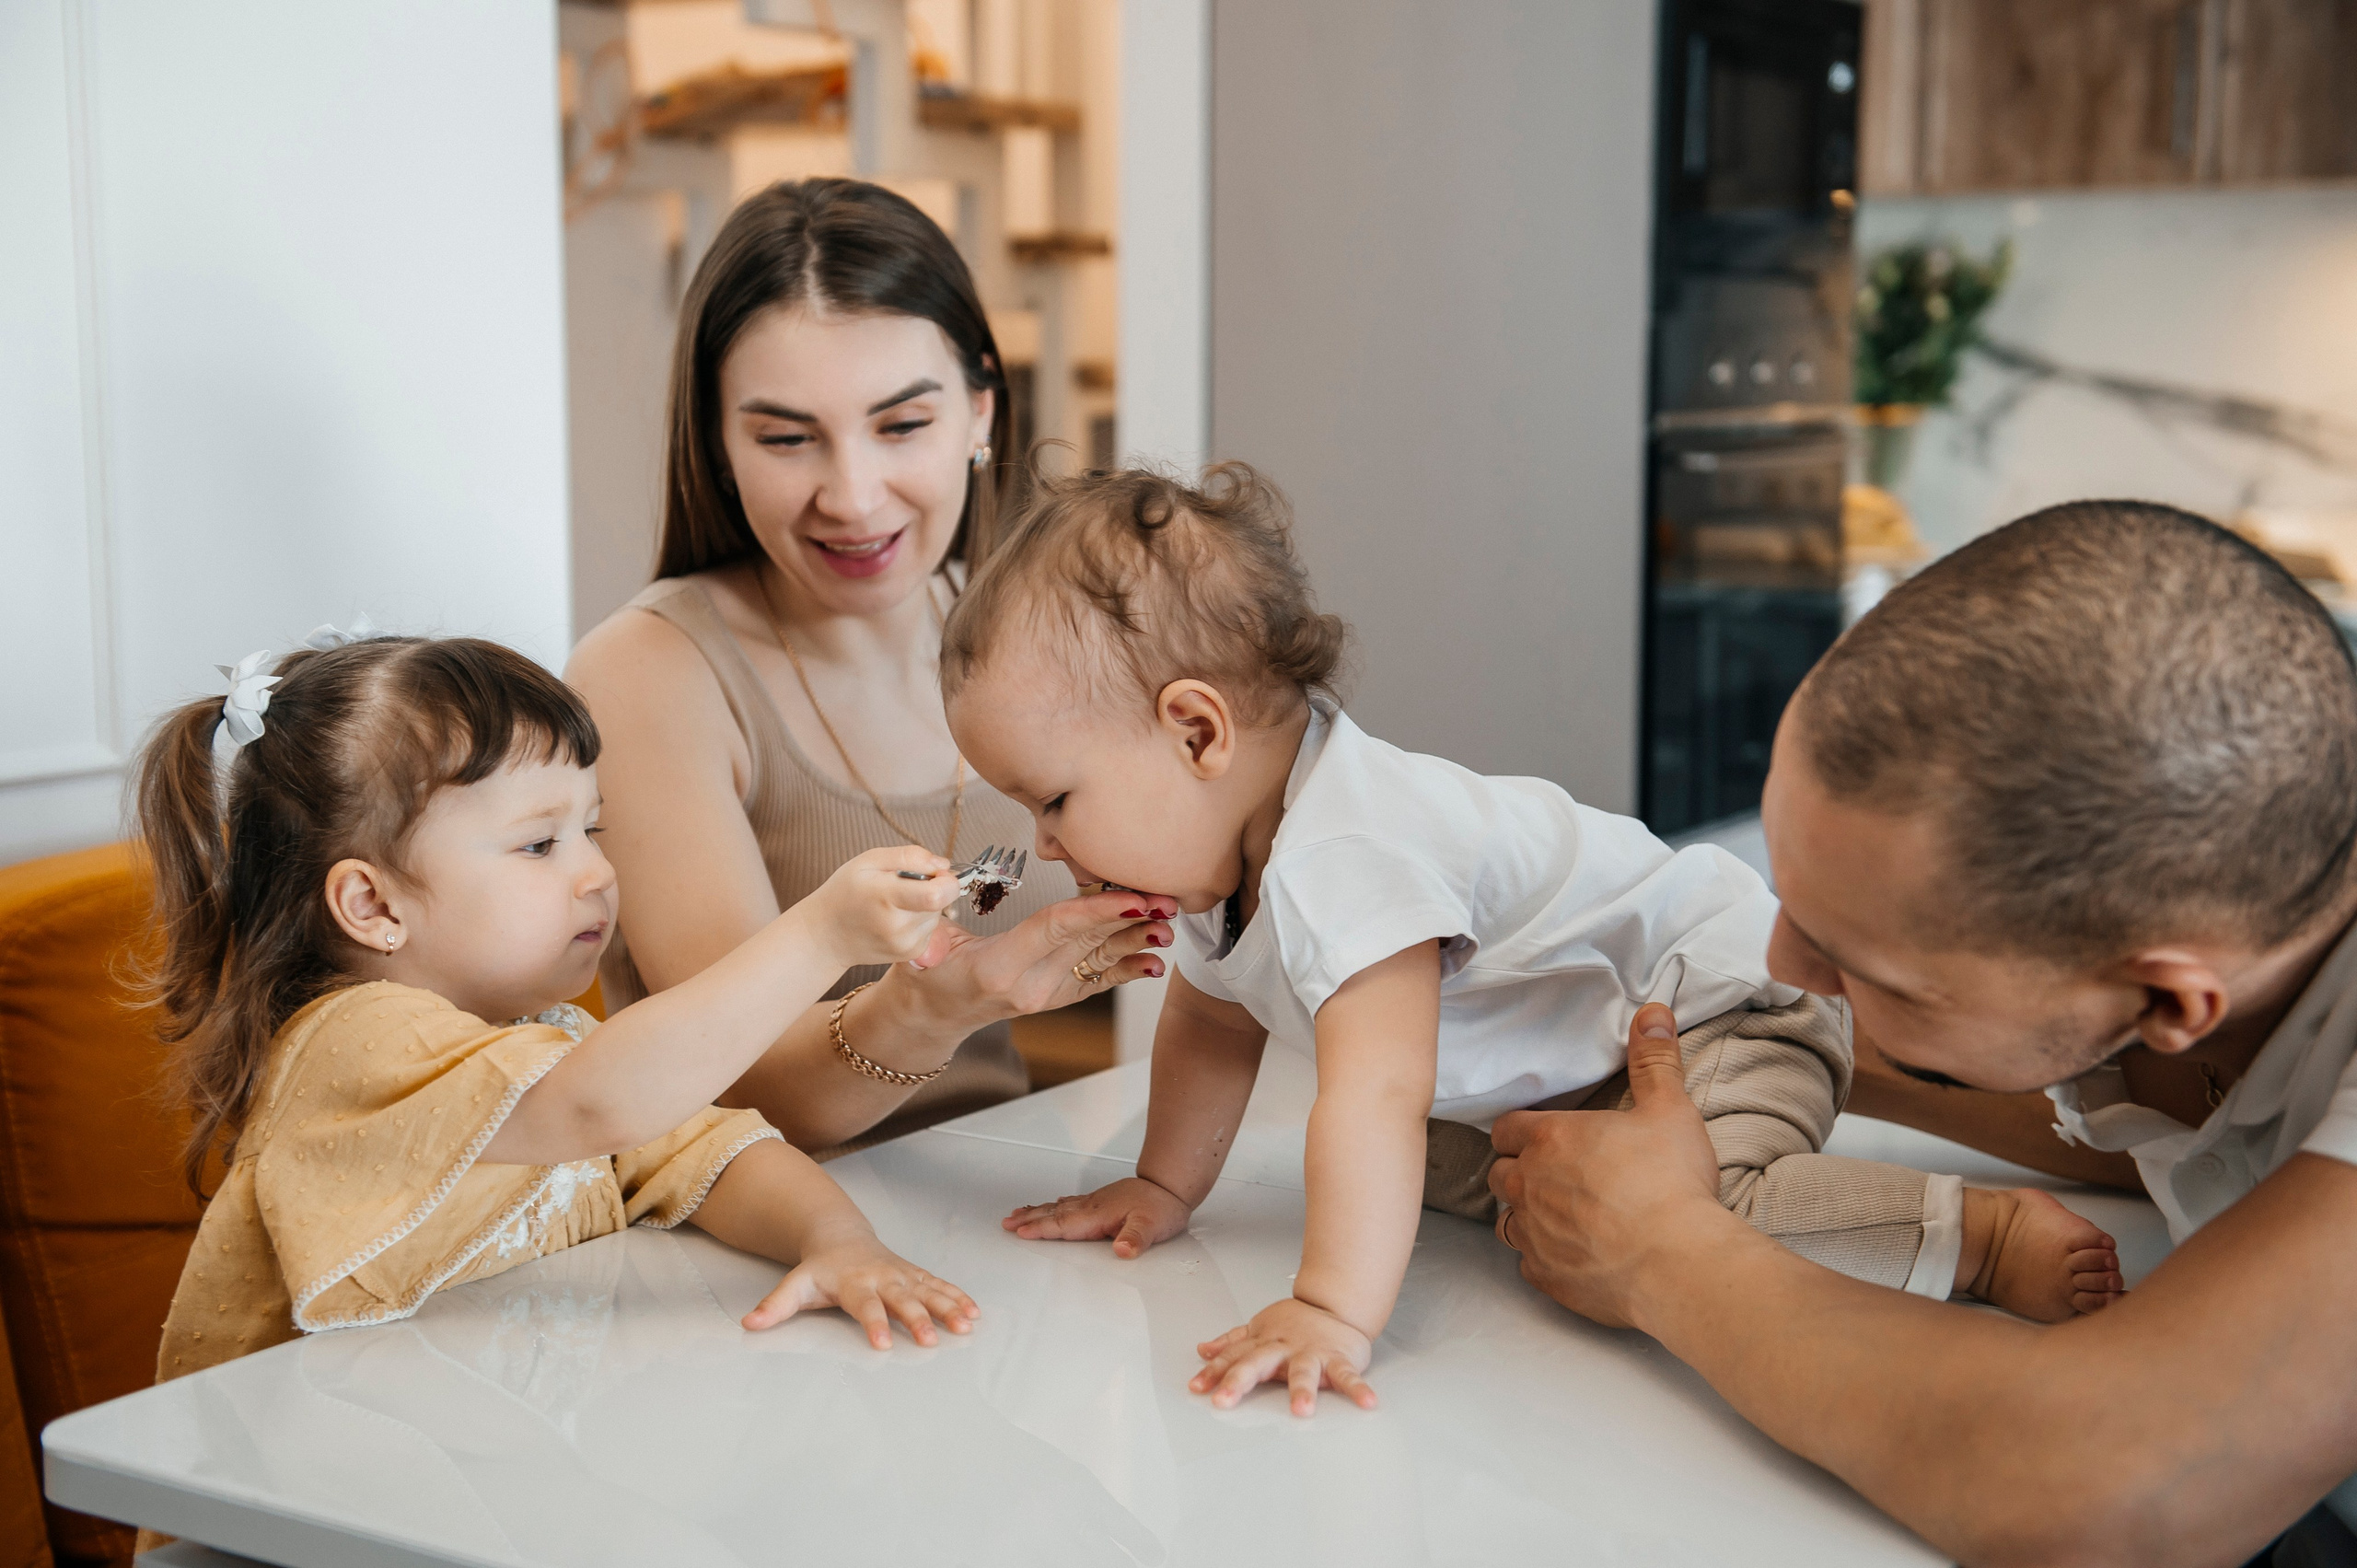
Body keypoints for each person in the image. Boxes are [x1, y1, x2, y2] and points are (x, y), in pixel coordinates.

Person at [935, 464, 2118, 1417]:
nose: (1043, 844)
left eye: (1054, 799)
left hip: (1712, 1008)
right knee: (1499, 1187)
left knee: (1701, 1205)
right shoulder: (1217, 856)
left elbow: (1378, 1092)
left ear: (1197, 732)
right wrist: (1163, 1183)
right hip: (1580, 1064)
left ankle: (1973, 1236)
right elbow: (1210, 1015)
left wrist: (1331, 1308)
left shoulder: (1350, 845)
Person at [1489, 501, 2357, 1568]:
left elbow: (2104, 1481)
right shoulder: (2251, 917)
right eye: (1787, 895)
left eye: (1865, 965)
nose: (1781, 963)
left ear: (2172, 1003)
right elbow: (2226, 1131)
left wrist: (1658, 1247)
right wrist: (1779, 1046)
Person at [135, 629, 980, 1385]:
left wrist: (836, 1241)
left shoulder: (543, 1038)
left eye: (592, 831)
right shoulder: (354, 1042)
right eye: (540, 844)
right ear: (374, 906)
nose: (598, 873)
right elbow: (601, 1103)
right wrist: (820, 935)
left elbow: (712, 1150)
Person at [567, 179, 1173, 1156]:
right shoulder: (646, 675)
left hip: (995, 1189)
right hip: (752, 1218)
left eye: (900, 426)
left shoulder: (1042, 630)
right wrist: (936, 1006)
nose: (851, 497)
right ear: (719, 443)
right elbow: (748, 1089)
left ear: (980, 410)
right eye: (786, 437)